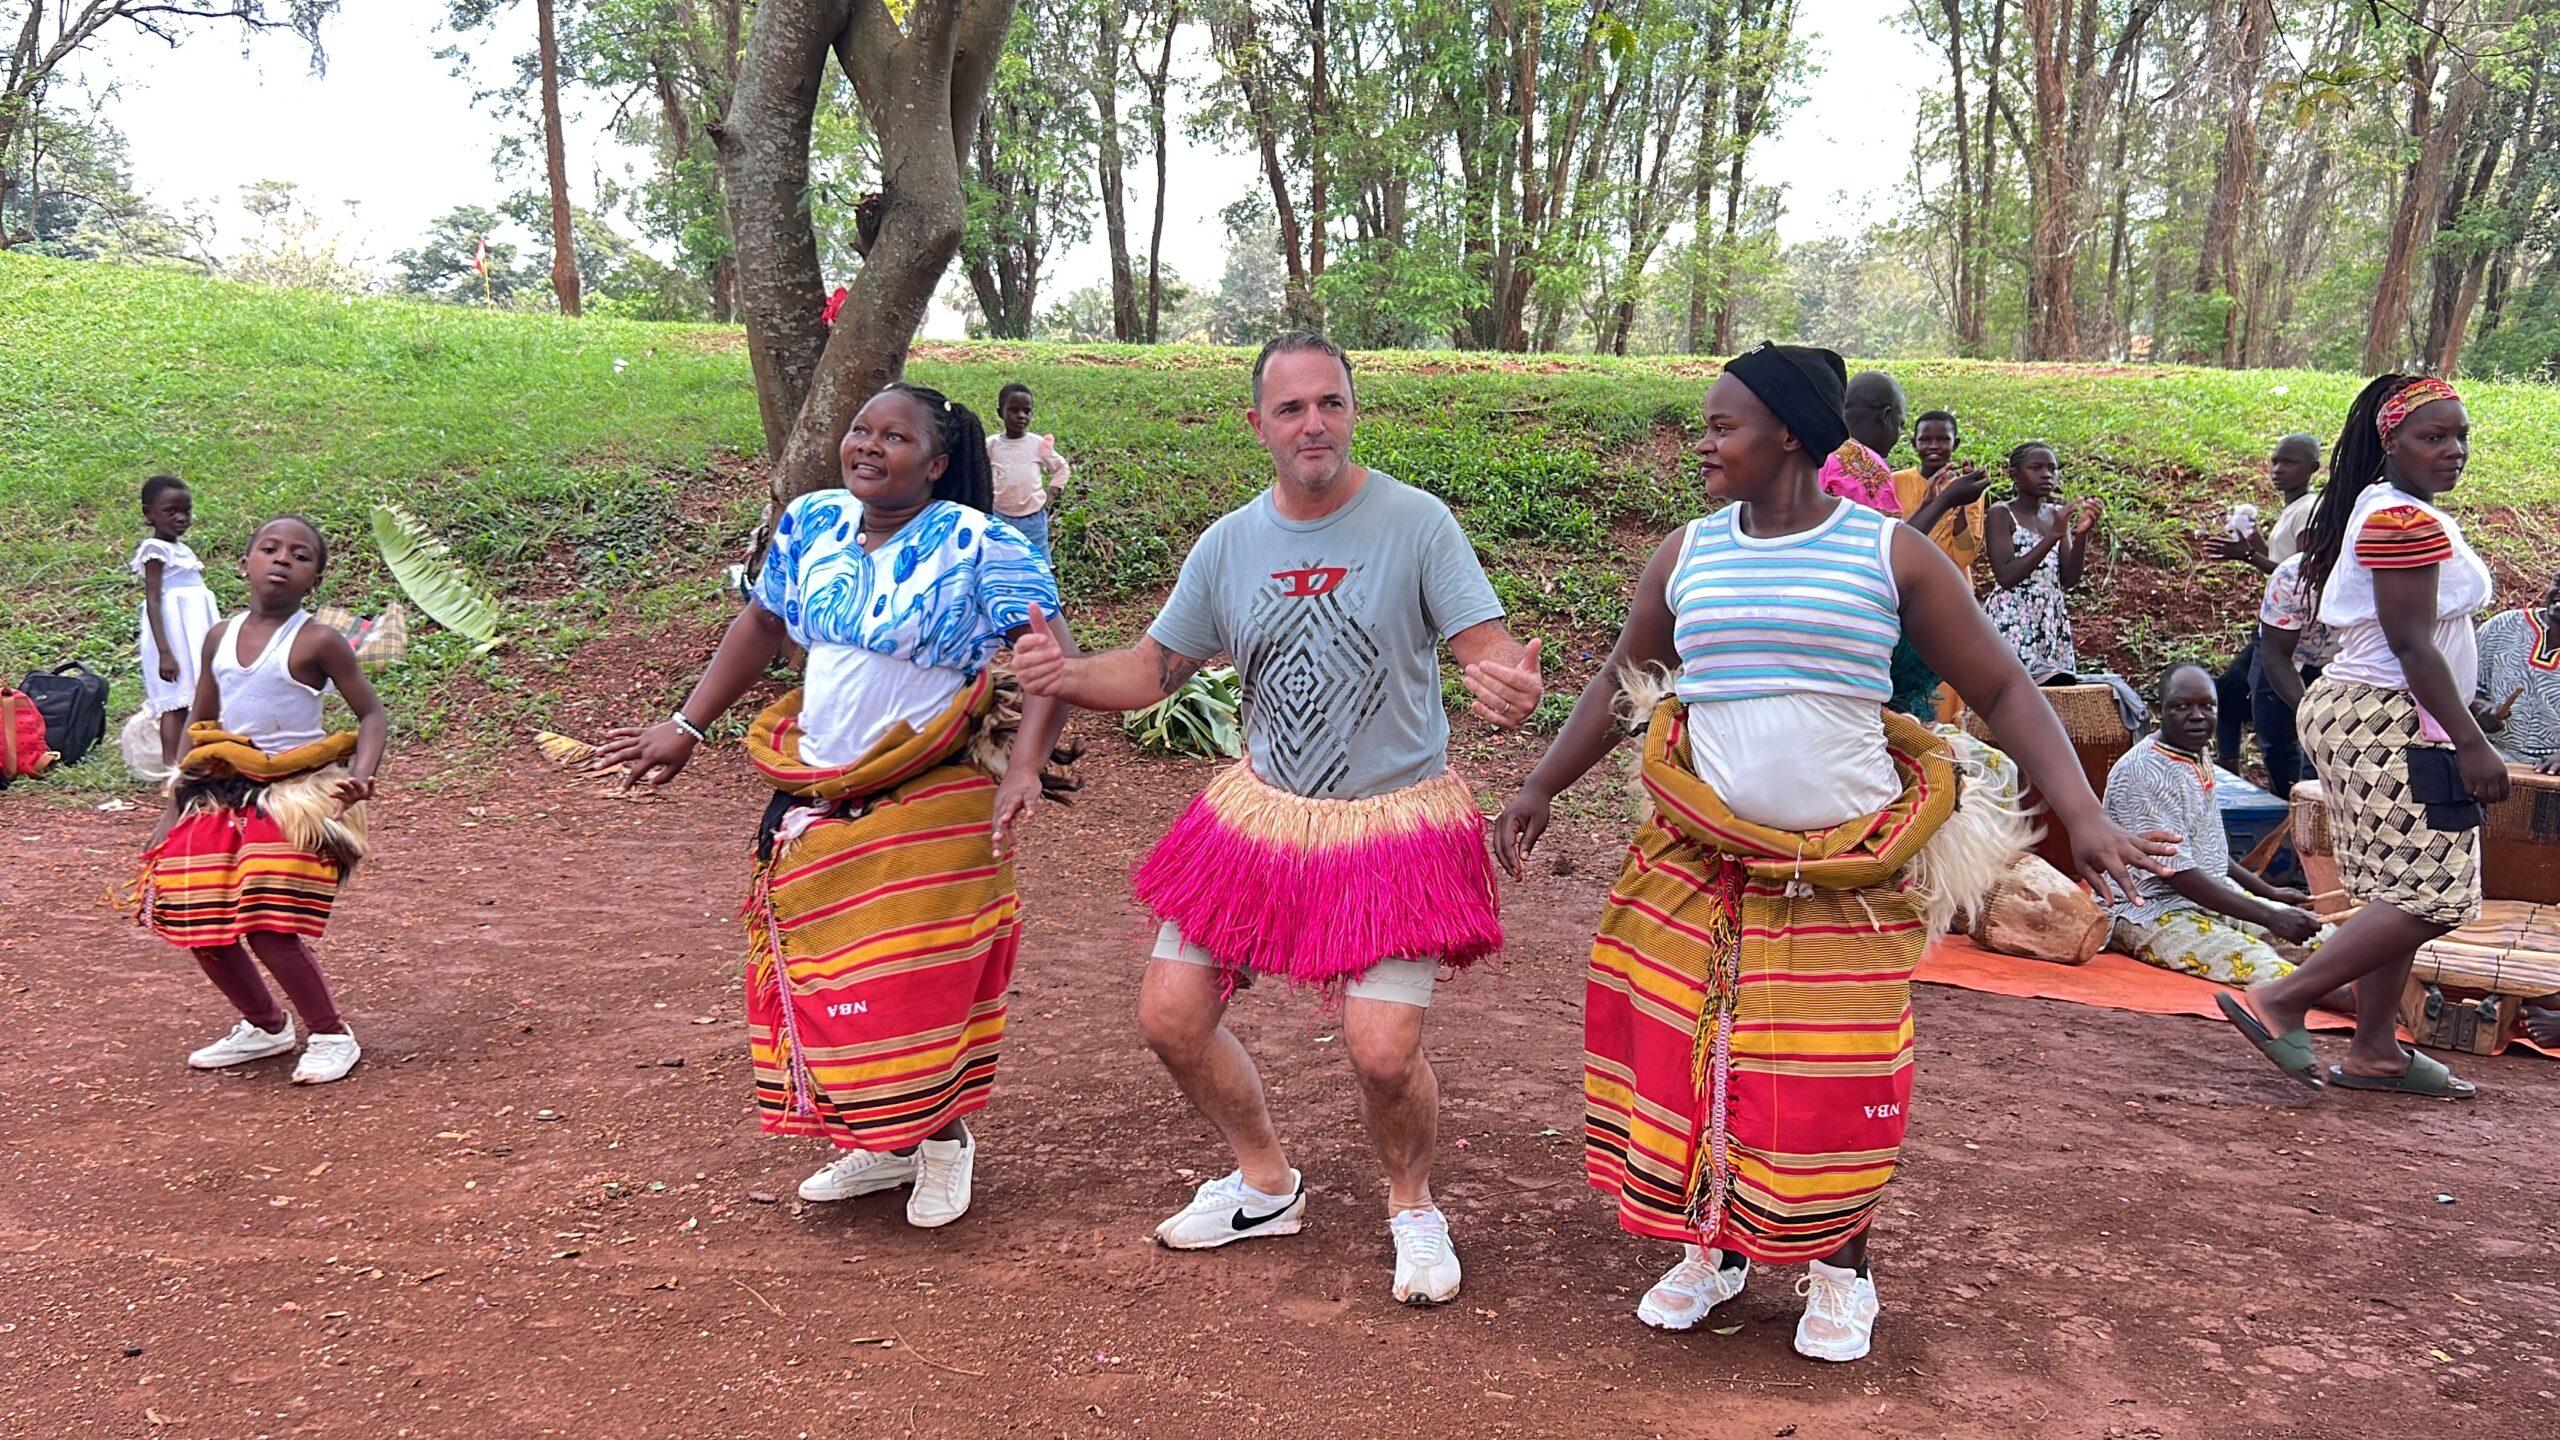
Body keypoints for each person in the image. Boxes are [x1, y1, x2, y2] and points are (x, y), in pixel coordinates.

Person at [1489, 342, 2172, 1364]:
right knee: (1695, 1054)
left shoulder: (1887, 554)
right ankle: (1713, 1247)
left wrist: (2085, 812)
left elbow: (2001, 687)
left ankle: (1842, 1267)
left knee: (1823, 1078)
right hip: (1701, 864)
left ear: (1789, 434)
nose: (1703, 444)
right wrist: (1541, 785)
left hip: (1841, 874)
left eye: (1722, 426)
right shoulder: (1687, 553)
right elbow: (1622, 678)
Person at [1012, 331, 1544, 1306]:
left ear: (1353, 411)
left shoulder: (1416, 524)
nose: (1313, 424)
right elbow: (1154, 669)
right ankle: (1265, 1183)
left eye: (1330, 402)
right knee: (1171, 1017)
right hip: (1261, 823)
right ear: (1257, 424)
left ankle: (1412, 1204)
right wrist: (1065, 676)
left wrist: (1506, 683)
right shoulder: (1229, 545)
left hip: (1391, 828)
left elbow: (1487, 646)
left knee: (1382, 1051)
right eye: (1291, 408)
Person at [596, 384, 1074, 1230]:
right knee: (830, 975)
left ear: (936, 462)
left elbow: (1053, 659)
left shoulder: (980, 543)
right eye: (860, 430)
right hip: (817, 786)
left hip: (930, 792)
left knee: (910, 983)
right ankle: (883, 1142)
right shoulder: (812, 521)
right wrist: (686, 725)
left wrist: (1024, 769)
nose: (868, 445)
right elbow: (761, 622)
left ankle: (943, 1141)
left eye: (895, 437)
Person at [2219, 374, 2506, 1099]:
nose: (2453, 450)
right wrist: (2473, 740)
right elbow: (2411, 645)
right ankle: (2284, 999)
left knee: (2396, 889)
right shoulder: (2398, 520)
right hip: (2390, 718)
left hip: (2377, 715)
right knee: (2434, 894)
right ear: (2391, 443)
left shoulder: (2396, 509)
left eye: (2460, 436)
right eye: (2432, 437)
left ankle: (2376, 1048)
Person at [134, 516, 385, 1086]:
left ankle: (330, 1034)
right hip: (218, 792)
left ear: (314, 580)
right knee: (199, 920)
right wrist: (174, 807)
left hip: (295, 796)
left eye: (300, 555)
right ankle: (265, 1025)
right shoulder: (219, 636)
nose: (282, 559)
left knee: (269, 925)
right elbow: (202, 724)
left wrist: (362, 777)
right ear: (244, 564)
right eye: (269, 549)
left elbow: (371, 714)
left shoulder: (318, 640)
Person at [2102, 664, 2333, 986]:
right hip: (2150, 910)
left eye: (2207, 706)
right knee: (2262, 964)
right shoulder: (2144, 771)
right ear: (2160, 710)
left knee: (2329, 942)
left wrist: (2269, 893)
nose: (2197, 716)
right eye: (2182, 706)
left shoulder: (2194, 755)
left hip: (2206, 895)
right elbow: (2176, 873)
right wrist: (2270, 915)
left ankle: (2364, 999)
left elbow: (2206, 851)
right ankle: (2353, 1005)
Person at [2206, 435, 2325, 765]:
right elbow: (2281, 565)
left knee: (2272, 726)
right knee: (2233, 697)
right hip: (2278, 625)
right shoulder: (2294, 509)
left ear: (2313, 468)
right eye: (2275, 461)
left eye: (2289, 462)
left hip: (2292, 633)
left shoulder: (2308, 510)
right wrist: (2252, 544)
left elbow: (2303, 574)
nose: (2278, 469)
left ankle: (2279, 789)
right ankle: (2230, 769)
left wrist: (2248, 555)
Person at [1887, 409, 1996, 718]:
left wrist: (1959, 503)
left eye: (1942, 439)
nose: (1934, 446)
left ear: (1955, 444)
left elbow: (1965, 555)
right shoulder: (1895, 482)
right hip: (1906, 591)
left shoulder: (1969, 488)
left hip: (1951, 594)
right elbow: (1894, 538)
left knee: (1949, 673)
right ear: (1913, 443)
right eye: (1925, 439)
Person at [1982, 441, 2098, 683]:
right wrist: (2053, 535)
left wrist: (2081, 535)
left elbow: (2069, 579)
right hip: (2013, 616)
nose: (2046, 474)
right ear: (2014, 475)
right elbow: (2006, 576)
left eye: (2052, 468)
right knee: (2015, 688)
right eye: (2036, 468)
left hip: (2050, 617)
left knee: (2054, 692)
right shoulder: (2001, 513)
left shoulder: (2056, 514)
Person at [132, 475, 223, 767]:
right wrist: (165, 652)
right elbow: (154, 601)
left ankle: (195, 762)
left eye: (186, 511)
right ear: (149, 514)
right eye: (171, 512)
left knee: (198, 698)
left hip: (195, 634)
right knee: (176, 702)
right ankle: (172, 769)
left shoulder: (183, 551)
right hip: (172, 636)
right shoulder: (154, 550)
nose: (181, 518)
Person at [2252, 550, 2338, 798]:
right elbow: (2277, 658)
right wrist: (2309, 713)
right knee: (2277, 742)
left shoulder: (2376, 577)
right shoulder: (2291, 578)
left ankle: (2318, 806)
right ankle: (2284, 804)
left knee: (2327, 743)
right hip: (2286, 656)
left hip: (2340, 664)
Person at [2475, 568, 2560, 773]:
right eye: (2559, 581)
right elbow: (2463, 687)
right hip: (2488, 757)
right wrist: (2479, 707)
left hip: (2552, 770)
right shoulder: (2502, 626)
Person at [985, 382, 1072, 557]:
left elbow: (1062, 467)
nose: (1021, 416)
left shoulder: (1037, 444)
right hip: (1000, 516)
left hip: (1033, 519)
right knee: (1003, 557)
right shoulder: (991, 445)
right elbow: (977, 471)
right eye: (1014, 410)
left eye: (1027, 411)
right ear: (1000, 413)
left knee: (1037, 559)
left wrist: (1052, 492)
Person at [1817, 371, 1903, 515]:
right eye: (1900, 424)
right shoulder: (1866, 465)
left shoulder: (1814, 448)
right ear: (1885, 417)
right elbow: (1883, 528)